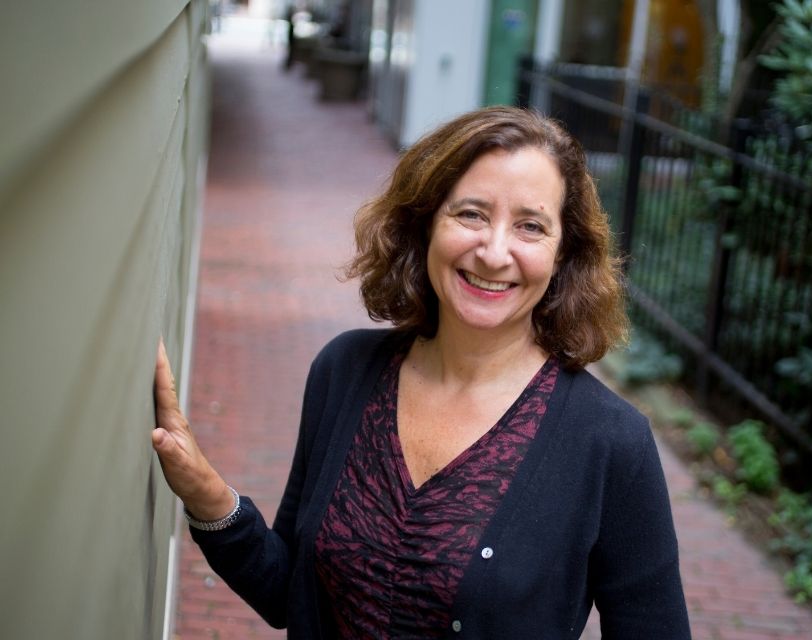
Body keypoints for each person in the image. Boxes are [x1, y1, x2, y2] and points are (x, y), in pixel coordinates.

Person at [152, 106, 691, 639]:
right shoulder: (345, 372)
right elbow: (290, 590)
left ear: (563, 254)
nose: (494, 251)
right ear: (427, 222)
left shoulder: (611, 442)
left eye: (530, 226)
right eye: (472, 214)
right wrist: (205, 492)